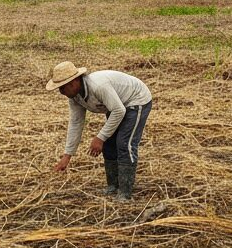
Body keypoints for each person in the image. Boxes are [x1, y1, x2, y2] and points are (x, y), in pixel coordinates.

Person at [47, 61, 153, 202]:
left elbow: (119, 111)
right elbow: (76, 123)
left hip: (136, 99)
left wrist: (100, 137)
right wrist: (67, 156)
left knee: (124, 144)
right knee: (109, 144)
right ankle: (113, 186)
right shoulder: (74, 97)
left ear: (73, 82)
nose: (61, 92)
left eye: (62, 88)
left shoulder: (98, 86)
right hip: (116, 106)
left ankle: (125, 192)